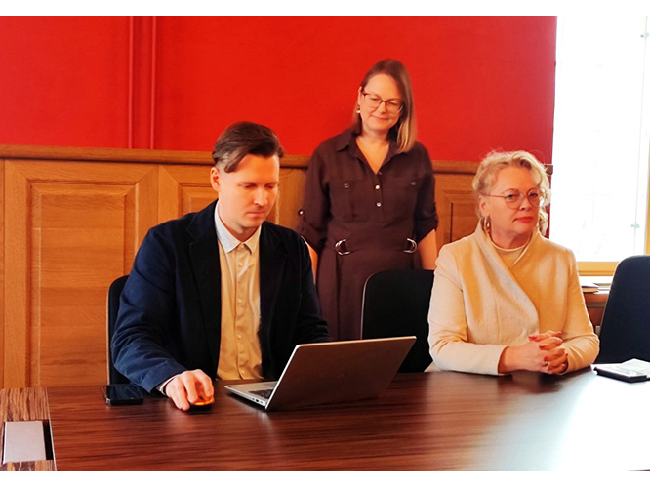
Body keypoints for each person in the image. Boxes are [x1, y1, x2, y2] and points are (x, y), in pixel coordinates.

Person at [112, 121, 332, 411]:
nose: (262, 200)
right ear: (217, 179)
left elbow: (311, 333)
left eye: (270, 186)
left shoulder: (291, 248)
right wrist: (172, 377)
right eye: (248, 186)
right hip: (197, 406)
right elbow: (130, 338)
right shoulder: (167, 244)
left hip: (273, 408)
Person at [298, 59, 439, 341]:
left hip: (402, 281)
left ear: (403, 109)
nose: (381, 109)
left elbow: (425, 225)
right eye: (374, 98)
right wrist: (306, 297)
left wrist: (436, 286)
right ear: (360, 97)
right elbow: (311, 232)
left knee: (399, 361)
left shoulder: (418, 156)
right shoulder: (327, 154)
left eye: (392, 102)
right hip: (341, 285)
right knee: (342, 361)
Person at [427, 150, 599, 375]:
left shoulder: (561, 258)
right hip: (468, 387)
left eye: (533, 195)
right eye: (511, 196)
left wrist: (561, 357)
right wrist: (515, 357)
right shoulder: (456, 257)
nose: (526, 204)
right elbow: (443, 347)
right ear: (484, 205)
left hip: (540, 387)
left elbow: (585, 340)